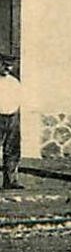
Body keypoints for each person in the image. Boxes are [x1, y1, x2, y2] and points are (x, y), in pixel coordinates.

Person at [0, 55, 21, 190]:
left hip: (12, 117)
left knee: (12, 150)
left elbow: (20, 97)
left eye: (10, 65)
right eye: (4, 64)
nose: (8, 68)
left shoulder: (14, 82)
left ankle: (10, 180)